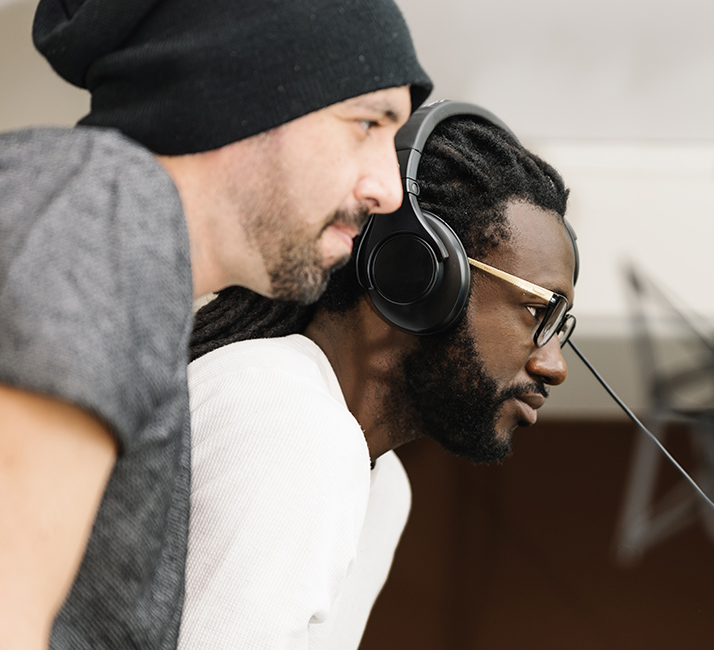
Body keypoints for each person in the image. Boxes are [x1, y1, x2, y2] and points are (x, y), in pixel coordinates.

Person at [0, 1, 432, 648]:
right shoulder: (105, 203)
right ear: (242, 92)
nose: (388, 190)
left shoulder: (118, 237)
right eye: (367, 123)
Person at [181, 106, 577, 648]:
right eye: (538, 312)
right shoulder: (285, 418)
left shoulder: (382, 483)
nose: (554, 365)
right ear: (416, 272)